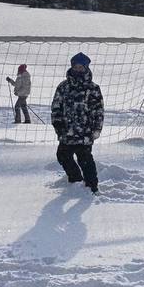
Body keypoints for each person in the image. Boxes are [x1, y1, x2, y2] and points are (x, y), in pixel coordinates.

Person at [51, 52, 104, 194]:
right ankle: (75, 181)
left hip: (85, 133)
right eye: (76, 66)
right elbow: (56, 107)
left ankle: (92, 187)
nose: (78, 69)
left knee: (85, 160)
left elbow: (98, 111)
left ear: (86, 68)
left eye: (81, 67)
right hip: (66, 131)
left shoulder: (93, 88)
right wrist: (58, 125)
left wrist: (97, 129)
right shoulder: (63, 87)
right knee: (62, 156)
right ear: (72, 67)